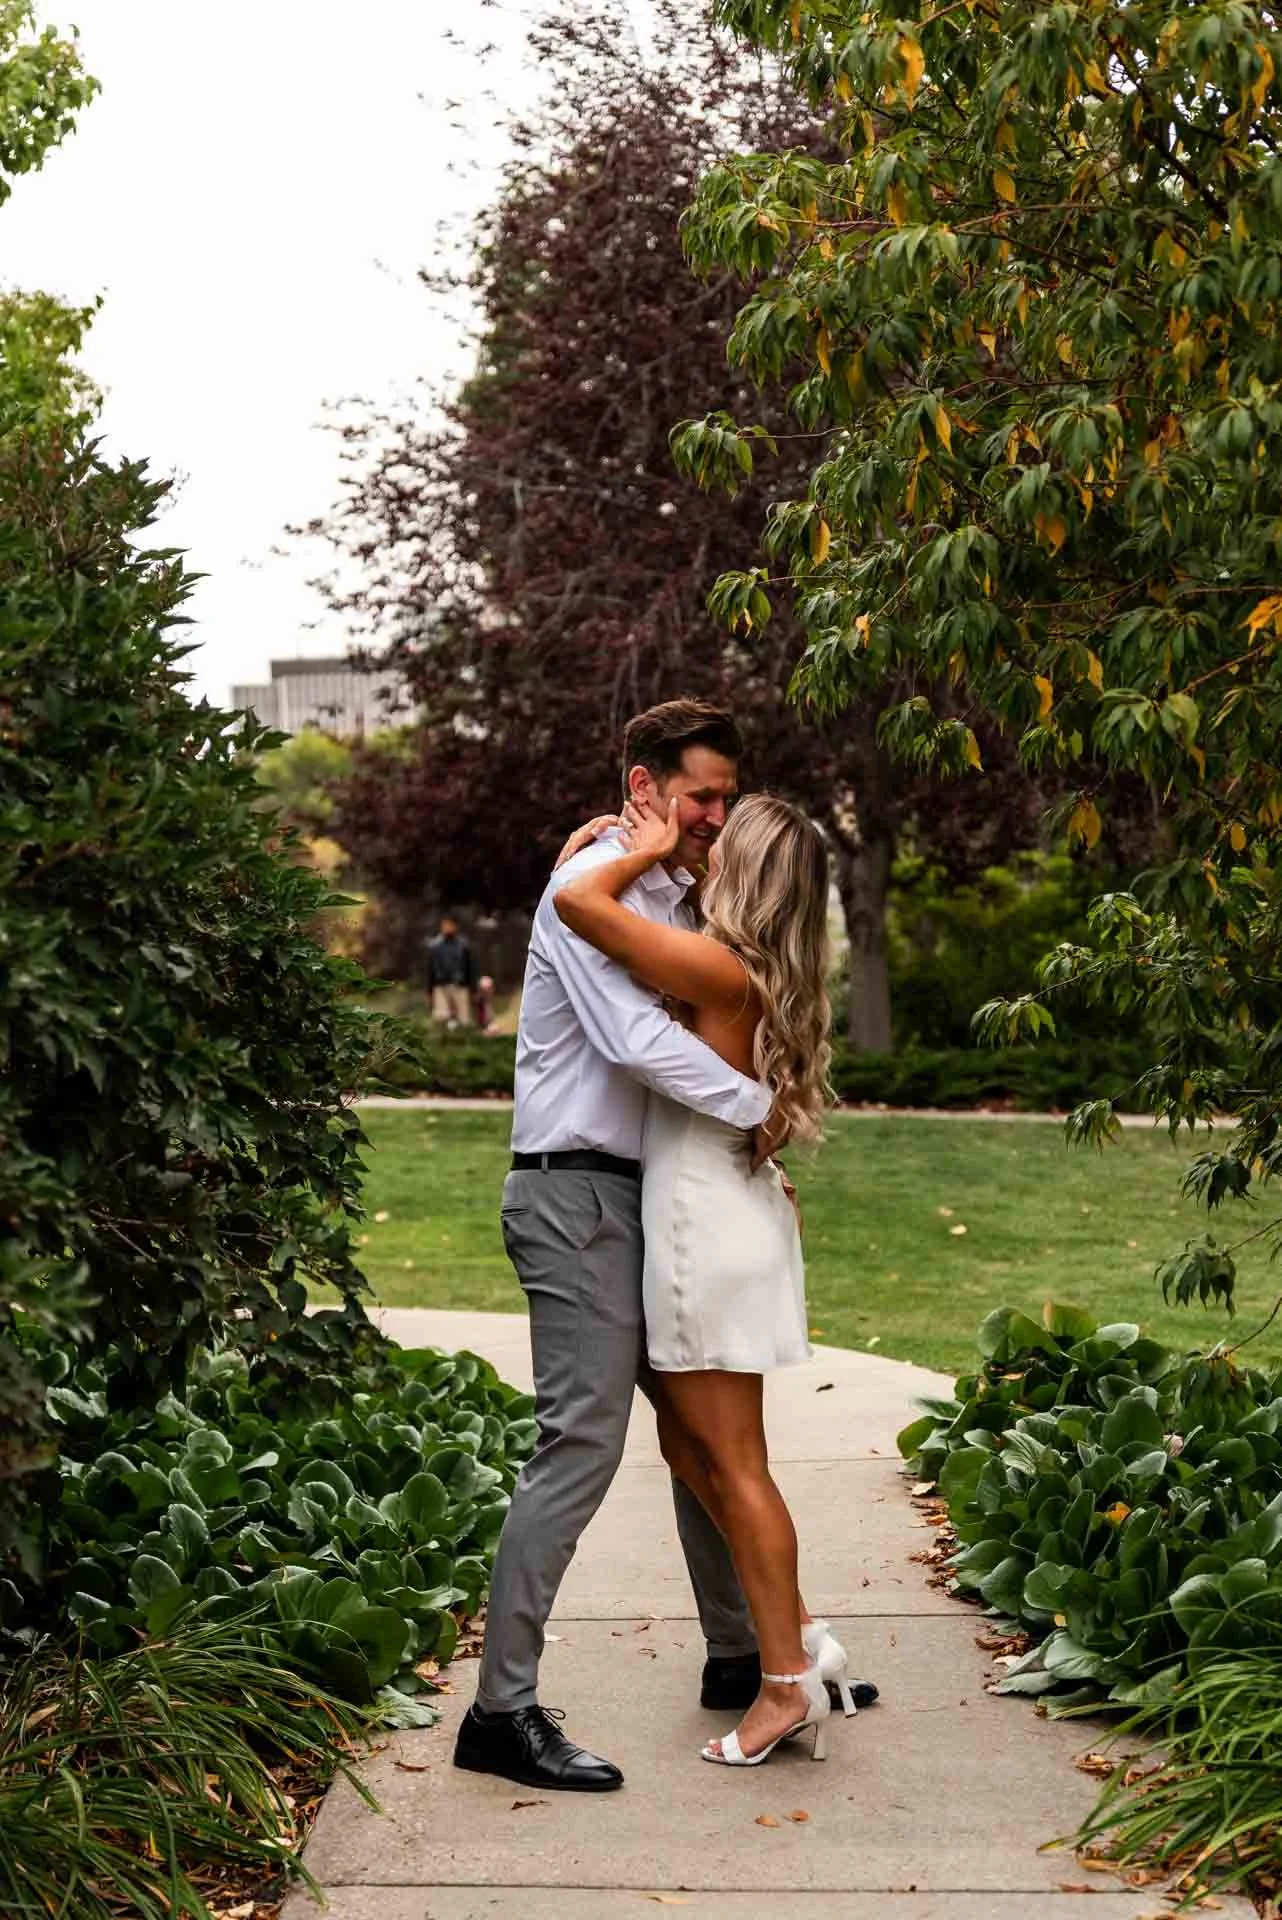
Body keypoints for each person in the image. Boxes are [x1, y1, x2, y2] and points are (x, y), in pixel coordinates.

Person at [452, 699, 874, 1795]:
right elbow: (638, 1044)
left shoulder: (670, 897)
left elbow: (726, 976)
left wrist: (751, 1125)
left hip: (650, 1197)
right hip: (575, 1194)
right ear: (643, 786)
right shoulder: (584, 889)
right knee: (581, 1447)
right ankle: (500, 1713)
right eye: (700, 797)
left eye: (728, 798)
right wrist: (756, 1109)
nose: (714, 817)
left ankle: (748, 1653)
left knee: (699, 1440)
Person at [553, 787, 848, 1769]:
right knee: (689, 1445)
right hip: (719, 1214)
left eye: (721, 839)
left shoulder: (723, 970)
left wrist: (633, 849)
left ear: (751, 874)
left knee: (732, 1463)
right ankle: (801, 1634)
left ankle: (782, 1688)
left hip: (705, 1226)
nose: (702, 843)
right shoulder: (746, 971)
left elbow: (580, 909)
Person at [426, 915, 477, 1027]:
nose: (447, 927)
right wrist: (429, 990)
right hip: (441, 986)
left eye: (450, 925)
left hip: (460, 985)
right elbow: (431, 969)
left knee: (463, 1019)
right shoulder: (435, 946)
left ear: (455, 926)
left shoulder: (464, 945)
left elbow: (470, 968)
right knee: (442, 1018)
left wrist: (473, 988)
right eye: (445, 925)